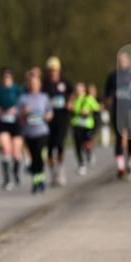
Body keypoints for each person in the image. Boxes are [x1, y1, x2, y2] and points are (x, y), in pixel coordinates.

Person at [104, 52, 131, 180]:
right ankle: (120, 167)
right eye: (119, 59)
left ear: (129, 61)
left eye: (124, 59)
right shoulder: (112, 77)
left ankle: (130, 162)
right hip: (117, 112)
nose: (121, 61)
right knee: (118, 138)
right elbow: (107, 96)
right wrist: (107, 103)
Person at [17, 70, 53, 193]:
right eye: (31, 83)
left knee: (39, 156)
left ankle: (39, 180)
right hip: (29, 132)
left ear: (39, 84)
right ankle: (36, 180)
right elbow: (17, 114)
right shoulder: (23, 98)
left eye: (35, 83)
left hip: (42, 131)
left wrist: (48, 115)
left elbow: (50, 112)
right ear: (28, 84)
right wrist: (23, 111)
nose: (33, 85)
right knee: (33, 158)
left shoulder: (44, 97)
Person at [0, 67, 23, 190]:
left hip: (16, 123)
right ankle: (7, 179)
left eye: (8, 76)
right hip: (3, 122)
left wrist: (17, 109)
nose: (6, 79)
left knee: (16, 153)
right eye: (4, 77)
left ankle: (16, 173)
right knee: (6, 149)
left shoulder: (18, 89)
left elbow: (24, 104)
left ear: (11, 77)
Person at [43, 56, 73, 187]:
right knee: (49, 148)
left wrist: (71, 103)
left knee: (60, 144)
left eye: (55, 70)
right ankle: (53, 173)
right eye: (51, 70)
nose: (53, 72)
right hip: (48, 120)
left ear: (58, 70)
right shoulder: (44, 84)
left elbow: (73, 93)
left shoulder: (65, 82)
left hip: (62, 118)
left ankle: (60, 169)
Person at [71, 82, 99, 175]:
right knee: (78, 146)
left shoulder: (89, 98)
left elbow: (97, 108)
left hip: (87, 125)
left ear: (83, 90)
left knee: (87, 143)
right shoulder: (73, 100)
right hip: (76, 125)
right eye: (77, 89)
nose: (78, 91)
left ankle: (89, 153)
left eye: (80, 89)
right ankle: (81, 165)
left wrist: (88, 111)